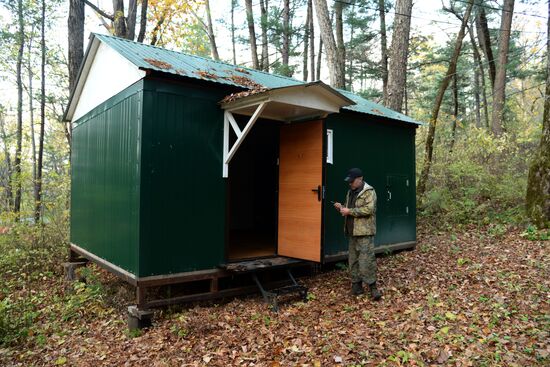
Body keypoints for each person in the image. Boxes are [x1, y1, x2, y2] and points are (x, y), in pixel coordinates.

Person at [333, 168, 382, 300]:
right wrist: (341, 208)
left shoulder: (369, 192)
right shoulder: (350, 192)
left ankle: (373, 288)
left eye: (352, 181)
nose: (350, 183)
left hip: (364, 232)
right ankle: (356, 286)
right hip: (352, 231)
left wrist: (349, 211)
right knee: (353, 260)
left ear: (360, 179)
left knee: (367, 260)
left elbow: (369, 210)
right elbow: (350, 209)